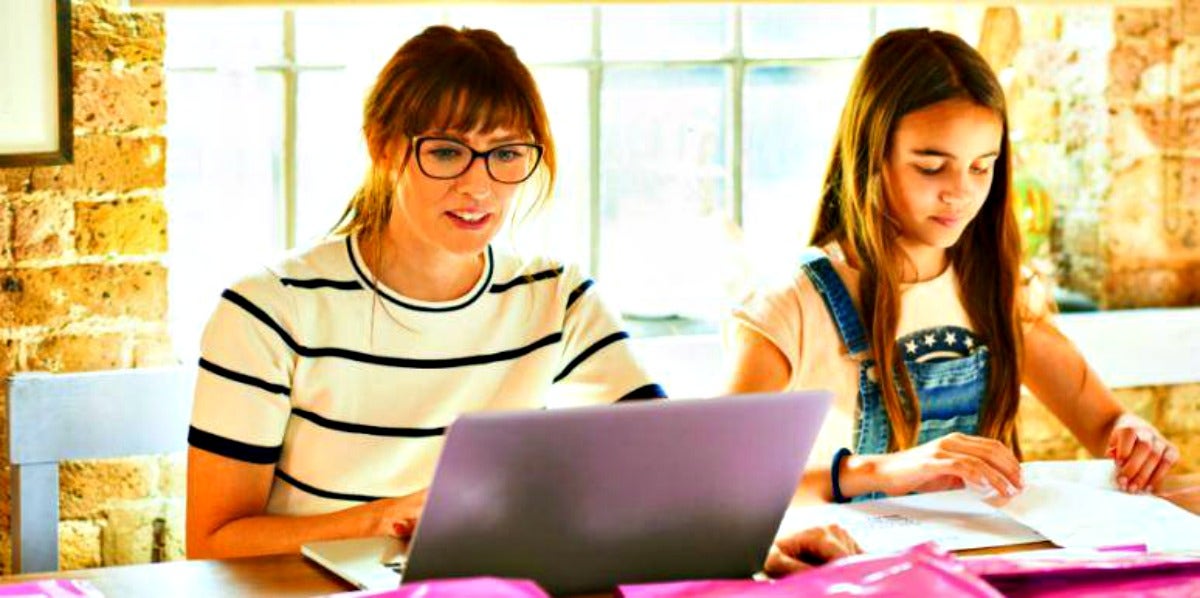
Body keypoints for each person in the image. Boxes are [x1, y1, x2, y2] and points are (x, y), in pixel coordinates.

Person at [186, 25, 665, 559]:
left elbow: (670, 464)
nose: (478, 186)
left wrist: (726, 534)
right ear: (382, 146)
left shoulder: (557, 297)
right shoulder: (270, 309)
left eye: (506, 155)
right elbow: (212, 542)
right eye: (445, 152)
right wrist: (381, 519)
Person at [725, 28, 1179, 504]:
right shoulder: (789, 307)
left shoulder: (998, 291)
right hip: (850, 571)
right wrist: (878, 471)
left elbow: (1105, 424)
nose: (960, 192)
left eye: (981, 167)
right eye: (930, 166)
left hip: (978, 563)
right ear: (872, 155)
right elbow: (717, 485)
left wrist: (1131, 436)